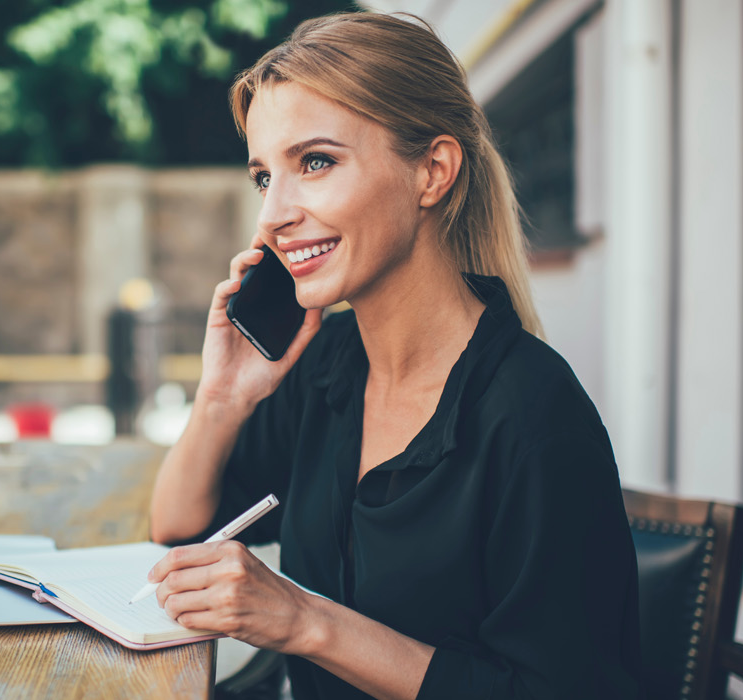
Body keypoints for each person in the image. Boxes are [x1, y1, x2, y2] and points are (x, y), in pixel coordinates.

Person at [145, 11, 640, 700]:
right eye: (264, 176)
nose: (274, 214)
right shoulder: (324, 365)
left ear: (432, 171)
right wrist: (223, 398)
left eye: (314, 162)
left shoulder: (532, 415)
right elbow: (177, 524)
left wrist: (306, 622)